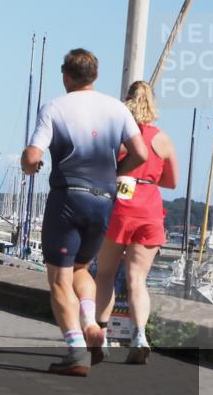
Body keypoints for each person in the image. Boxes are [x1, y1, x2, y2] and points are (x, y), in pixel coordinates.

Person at [21, 49, 147, 376]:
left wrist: (29, 163)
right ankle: (91, 325)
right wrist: (117, 171)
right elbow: (141, 153)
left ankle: (76, 350)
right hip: (104, 199)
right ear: (95, 75)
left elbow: (33, 154)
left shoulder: (54, 107)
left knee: (59, 279)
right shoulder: (117, 109)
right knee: (80, 270)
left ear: (66, 75)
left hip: (68, 197)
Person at [93, 82, 178, 364]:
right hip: (149, 209)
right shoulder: (162, 139)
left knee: (105, 274)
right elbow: (172, 181)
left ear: (127, 101)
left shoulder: (117, 137)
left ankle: (101, 337)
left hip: (118, 207)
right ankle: (139, 335)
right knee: (137, 280)